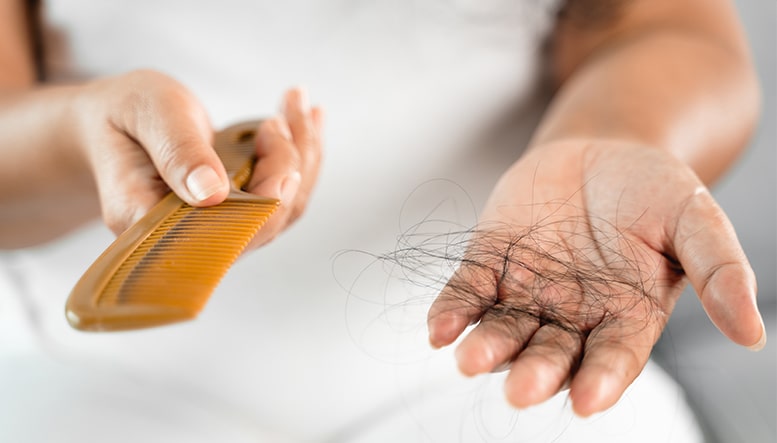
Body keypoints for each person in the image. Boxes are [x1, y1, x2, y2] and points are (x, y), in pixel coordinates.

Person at [0, 0, 766, 441]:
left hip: (498, 364)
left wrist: (613, 133)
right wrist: (83, 139)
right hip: (94, 379)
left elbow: (663, 28)